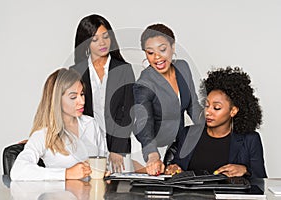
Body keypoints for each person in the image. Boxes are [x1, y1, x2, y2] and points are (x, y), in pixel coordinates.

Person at [165, 67, 267, 178]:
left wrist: (246, 170)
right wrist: (172, 168)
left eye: (216, 108)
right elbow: (176, 168)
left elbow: (261, 181)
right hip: (191, 195)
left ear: (233, 111)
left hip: (228, 195)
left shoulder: (250, 140)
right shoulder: (188, 134)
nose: (208, 112)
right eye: (206, 105)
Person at [10, 68, 107, 181]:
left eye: (82, 94)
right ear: (56, 100)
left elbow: (104, 160)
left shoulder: (91, 124)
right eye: (73, 97)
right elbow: (18, 171)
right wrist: (66, 174)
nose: (82, 101)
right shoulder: (44, 134)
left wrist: (104, 170)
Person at [132, 24, 202, 175]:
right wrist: (152, 155)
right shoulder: (144, 83)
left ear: (173, 46)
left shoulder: (183, 68)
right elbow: (144, 121)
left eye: (162, 50)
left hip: (175, 144)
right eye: (150, 53)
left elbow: (193, 106)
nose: (157, 57)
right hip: (148, 146)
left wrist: (212, 129)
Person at [70, 14, 135, 173]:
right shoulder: (76, 72)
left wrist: (117, 149)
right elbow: (70, 112)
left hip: (118, 149)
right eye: (95, 39)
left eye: (106, 36)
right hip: (86, 148)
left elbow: (128, 111)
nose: (102, 43)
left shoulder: (124, 70)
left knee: (121, 195)